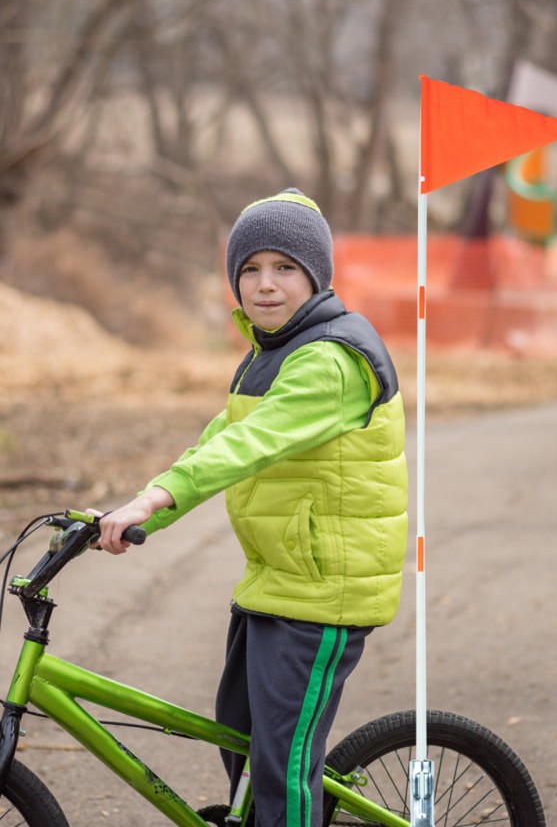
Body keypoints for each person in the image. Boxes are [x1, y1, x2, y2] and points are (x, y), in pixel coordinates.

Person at [97, 187, 408, 827]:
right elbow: (218, 439)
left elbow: (250, 444)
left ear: (316, 276)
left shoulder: (331, 359)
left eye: (285, 267)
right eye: (250, 269)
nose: (265, 285)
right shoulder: (272, 351)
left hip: (323, 590)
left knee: (280, 765)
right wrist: (144, 507)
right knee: (237, 732)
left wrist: (156, 498)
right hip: (278, 578)